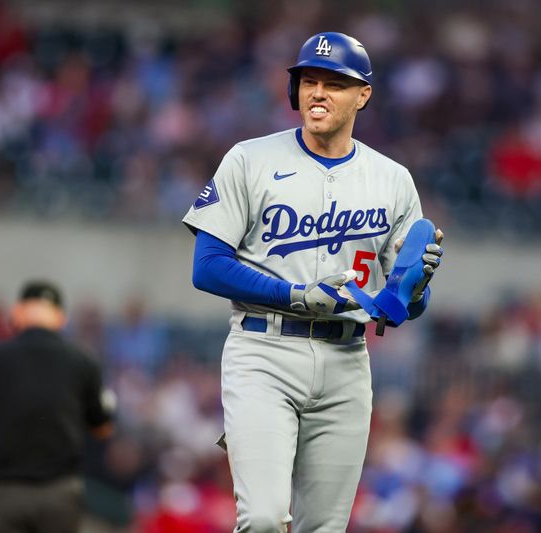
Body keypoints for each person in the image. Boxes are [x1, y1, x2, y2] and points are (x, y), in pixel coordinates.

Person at [182, 32, 444, 532]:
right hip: (264, 351)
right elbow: (207, 265)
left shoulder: (392, 179)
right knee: (261, 519)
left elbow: (399, 308)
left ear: (362, 95)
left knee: (322, 529)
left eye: (334, 84)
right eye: (308, 81)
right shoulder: (250, 158)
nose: (318, 92)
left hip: (347, 361)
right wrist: (297, 294)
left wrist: (417, 287)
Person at [0, 280, 115, 533]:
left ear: (18, 312)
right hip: (61, 494)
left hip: (6, 493)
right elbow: (102, 429)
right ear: (60, 317)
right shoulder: (84, 361)